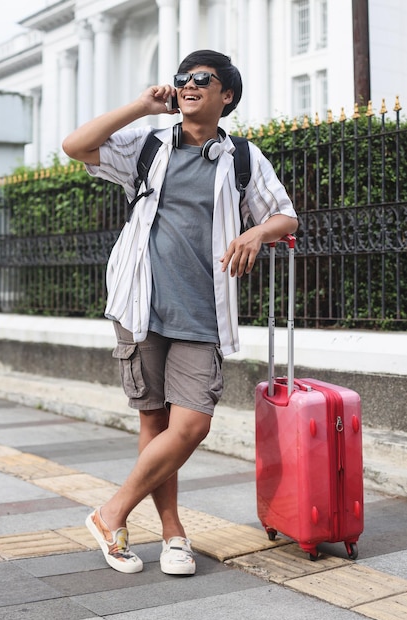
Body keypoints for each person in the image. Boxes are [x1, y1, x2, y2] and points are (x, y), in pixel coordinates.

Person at [62, 49, 298, 576]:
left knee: (190, 425)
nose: (189, 85)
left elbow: (285, 215)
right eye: (183, 79)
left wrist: (258, 231)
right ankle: (172, 534)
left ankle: (111, 513)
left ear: (226, 95)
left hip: (202, 311)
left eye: (203, 79)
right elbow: (76, 146)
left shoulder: (242, 158)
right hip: (140, 301)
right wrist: (141, 107)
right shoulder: (150, 145)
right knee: (155, 423)